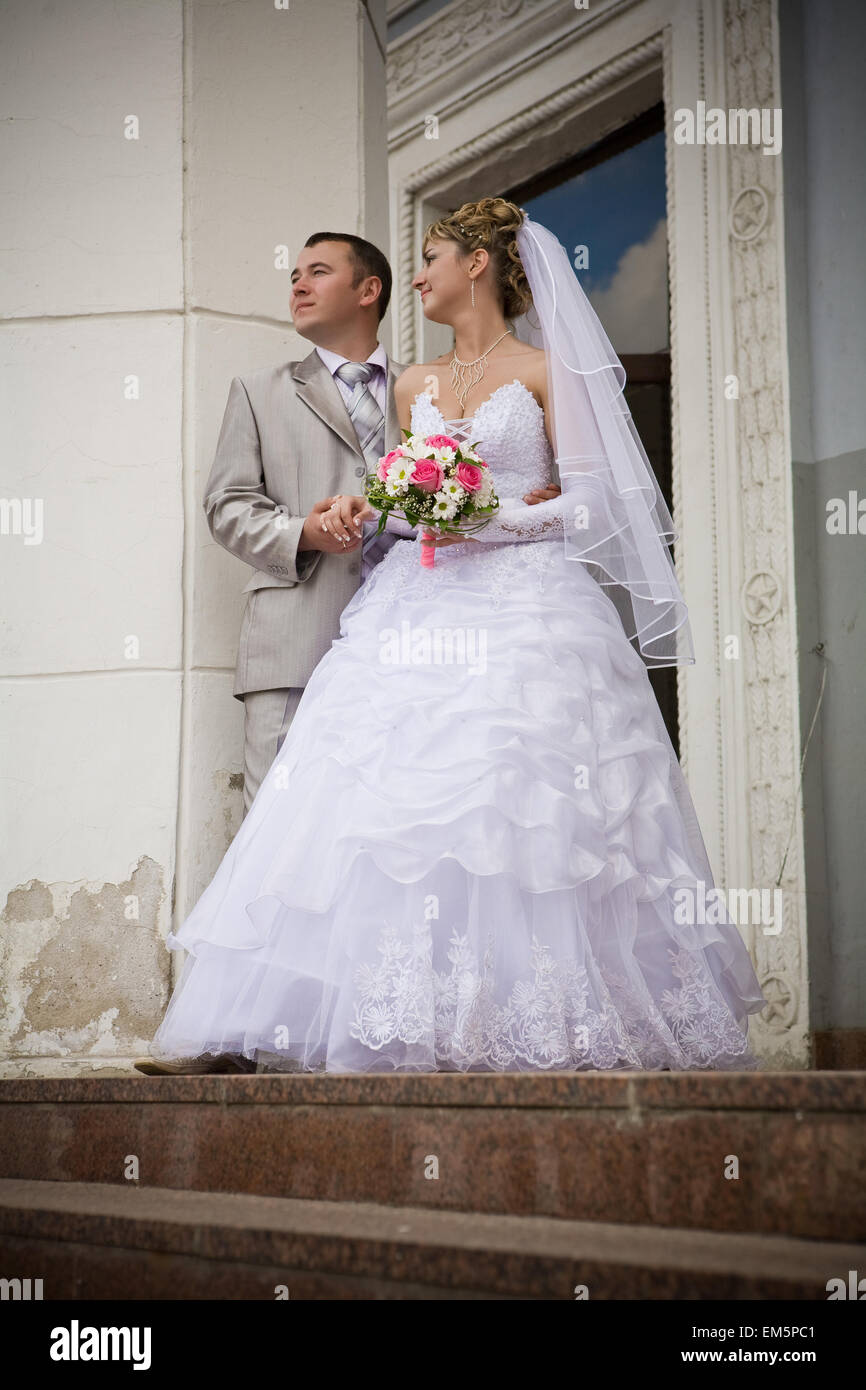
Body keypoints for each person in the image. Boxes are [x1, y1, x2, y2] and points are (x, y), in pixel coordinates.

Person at [135, 197, 767, 1076]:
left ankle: (532, 1021)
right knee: (381, 814)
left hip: (528, 612)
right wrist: (373, 507)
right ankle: (298, 1025)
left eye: (429, 257)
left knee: (520, 810)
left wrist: (487, 512)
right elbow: (402, 498)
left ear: (477, 263)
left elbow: (588, 502)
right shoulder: (411, 386)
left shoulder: (552, 371)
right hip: (416, 604)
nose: (417, 276)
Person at [203, 231, 559, 815]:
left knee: (399, 823)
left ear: (369, 289)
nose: (298, 283)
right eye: (294, 274)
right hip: (296, 636)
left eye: (317, 271)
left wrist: (543, 501)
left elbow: (482, 478)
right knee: (281, 829)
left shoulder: (426, 386)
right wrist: (303, 533)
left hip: (419, 632)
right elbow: (227, 504)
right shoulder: (257, 391)